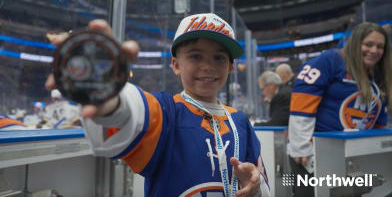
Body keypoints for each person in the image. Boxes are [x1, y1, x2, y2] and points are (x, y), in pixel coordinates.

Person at [46, 14, 270, 197]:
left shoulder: (240, 121)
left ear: (230, 67)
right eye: (195, 56)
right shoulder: (167, 111)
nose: (207, 66)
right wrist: (109, 98)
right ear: (175, 65)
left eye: (219, 58)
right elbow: (132, 112)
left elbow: (263, 187)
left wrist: (255, 187)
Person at [288, 22, 391, 196]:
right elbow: (302, 102)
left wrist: (378, 151)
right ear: (355, 42)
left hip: (354, 156)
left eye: (380, 46)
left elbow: (379, 119)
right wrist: (301, 147)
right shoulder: (332, 60)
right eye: (368, 44)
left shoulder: (377, 74)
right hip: (315, 154)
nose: (374, 50)